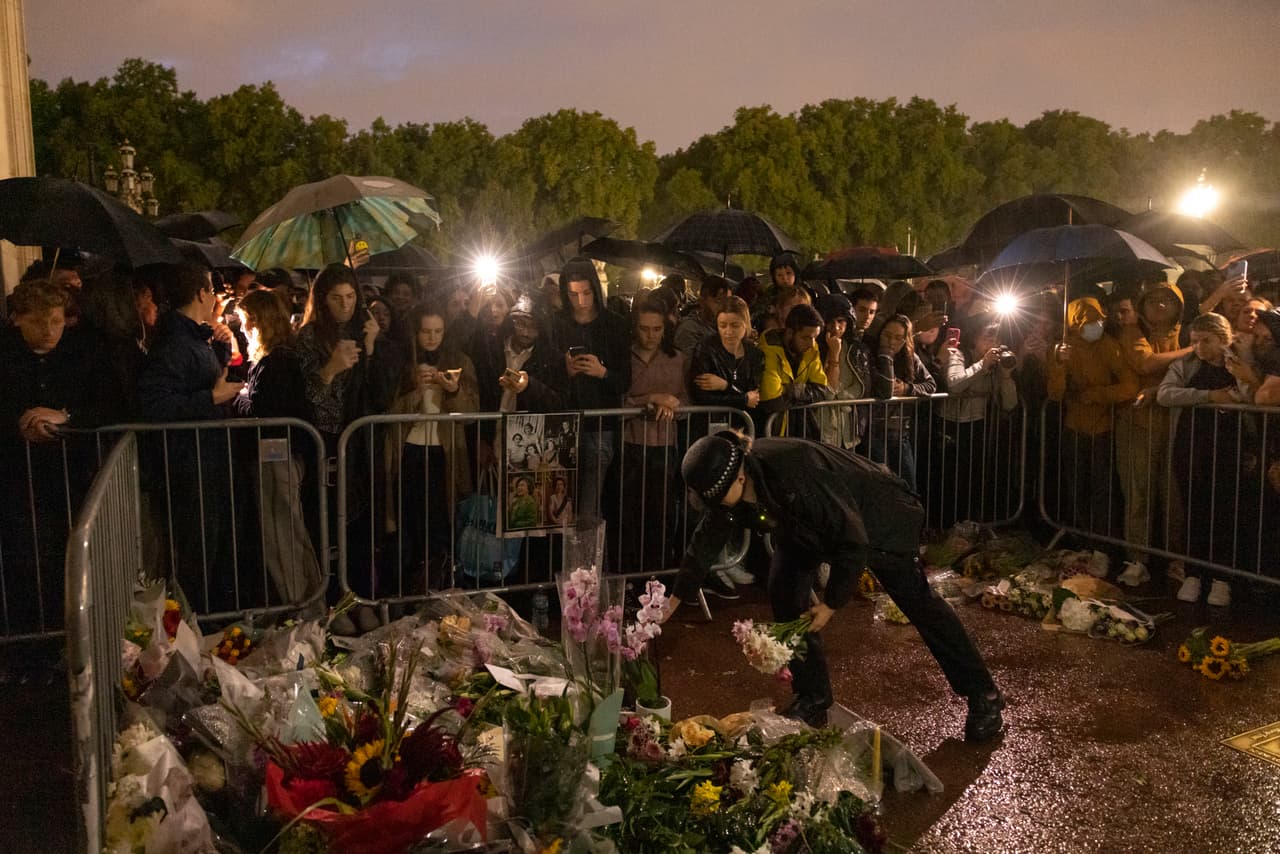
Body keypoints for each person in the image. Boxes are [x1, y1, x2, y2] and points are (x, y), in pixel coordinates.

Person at [668, 431, 1005, 740]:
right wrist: (675, 599)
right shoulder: (738, 483)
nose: (713, 507)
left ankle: (983, 694)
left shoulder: (794, 473)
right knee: (784, 588)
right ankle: (813, 697)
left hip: (880, 521)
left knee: (919, 603)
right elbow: (707, 537)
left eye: (715, 498)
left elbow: (852, 540)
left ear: (739, 477)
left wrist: (831, 604)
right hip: (808, 528)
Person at [0, 278, 108, 633]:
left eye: (56, 321)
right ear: (17, 319)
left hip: (71, 476)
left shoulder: (84, 352)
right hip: (18, 478)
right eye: (38, 321)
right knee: (23, 562)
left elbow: (110, 406)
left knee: (72, 560)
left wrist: (66, 416)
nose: (48, 331)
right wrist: (19, 424)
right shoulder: (6, 354)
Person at [138, 263, 245, 611]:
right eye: (211, 290)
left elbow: (199, 378)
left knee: (207, 546)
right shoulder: (174, 342)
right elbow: (156, 403)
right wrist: (212, 398)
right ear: (201, 293)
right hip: (189, 463)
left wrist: (220, 352)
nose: (214, 296)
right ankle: (191, 621)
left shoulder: (190, 336)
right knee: (195, 550)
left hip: (203, 458)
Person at [1157, 313, 1257, 607]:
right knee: (1193, 508)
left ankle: (1221, 578)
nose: (1199, 347)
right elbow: (1165, 394)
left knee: (1224, 511)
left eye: (1206, 341)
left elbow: (1250, 394)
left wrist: (1239, 383)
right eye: (1194, 341)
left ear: (1223, 339)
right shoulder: (1185, 366)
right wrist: (1207, 396)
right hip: (1191, 446)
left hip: (1228, 447)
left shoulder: (1238, 364)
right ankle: (1193, 573)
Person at [231, 289, 323, 606]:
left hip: (276, 456)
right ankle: (306, 603)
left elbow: (262, 412)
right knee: (287, 533)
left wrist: (236, 398)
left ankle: (301, 606)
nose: (241, 329)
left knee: (282, 536)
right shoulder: (278, 359)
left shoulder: (277, 362)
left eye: (244, 322)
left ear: (258, 322)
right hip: (280, 455)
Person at [384, 305, 478, 590]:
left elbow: (471, 412)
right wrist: (413, 390)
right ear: (415, 332)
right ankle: (409, 590)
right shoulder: (403, 362)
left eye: (438, 331)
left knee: (441, 524)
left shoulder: (460, 361)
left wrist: (453, 391)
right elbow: (387, 411)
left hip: (444, 453)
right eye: (426, 331)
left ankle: (438, 587)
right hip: (409, 451)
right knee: (409, 524)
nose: (432, 337)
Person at [1047, 297, 1138, 541]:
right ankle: (1082, 541)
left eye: (1098, 320)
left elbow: (1129, 385)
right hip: (1074, 428)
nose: (1095, 325)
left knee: (1103, 491)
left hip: (1103, 428)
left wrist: (1096, 395)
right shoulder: (1063, 349)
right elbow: (1055, 393)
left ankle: (1104, 544)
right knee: (1077, 488)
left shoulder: (1109, 346)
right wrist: (1058, 364)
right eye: (1088, 321)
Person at [552, 258, 631, 520]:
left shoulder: (615, 325)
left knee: (587, 510)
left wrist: (602, 372)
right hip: (562, 425)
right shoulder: (556, 323)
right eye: (574, 294)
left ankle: (587, 561)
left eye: (586, 293)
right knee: (556, 508)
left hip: (599, 427)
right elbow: (544, 375)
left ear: (595, 290)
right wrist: (564, 370)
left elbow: (625, 380)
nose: (581, 301)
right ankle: (567, 560)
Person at [621, 298, 689, 570]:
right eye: (644, 328)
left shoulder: (677, 359)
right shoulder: (625, 357)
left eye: (656, 329)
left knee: (661, 514)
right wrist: (650, 399)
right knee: (629, 514)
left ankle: (657, 574)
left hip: (664, 445)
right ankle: (628, 572)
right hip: (631, 444)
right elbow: (618, 400)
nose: (650, 335)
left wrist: (673, 405)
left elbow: (687, 402)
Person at [935, 317, 1019, 527]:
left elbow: (1009, 404)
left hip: (978, 427)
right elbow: (955, 384)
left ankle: (972, 526)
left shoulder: (995, 365)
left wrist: (1006, 376)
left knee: (975, 480)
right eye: (988, 336)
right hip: (952, 427)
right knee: (951, 481)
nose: (993, 342)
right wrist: (983, 364)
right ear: (975, 338)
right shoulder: (958, 355)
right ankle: (946, 526)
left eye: (997, 338)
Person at [869, 314, 937, 488]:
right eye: (888, 335)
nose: (891, 342)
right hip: (874, 432)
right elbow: (884, 390)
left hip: (900, 433)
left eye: (898, 338)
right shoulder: (870, 354)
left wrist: (908, 389)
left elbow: (931, 385)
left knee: (908, 486)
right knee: (881, 487)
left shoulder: (910, 358)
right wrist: (885, 357)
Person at [758, 303, 829, 438]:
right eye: (805, 337)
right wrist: (804, 393)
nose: (811, 344)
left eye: (815, 337)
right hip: (773, 432)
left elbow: (821, 390)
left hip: (801, 429)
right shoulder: (768, 350)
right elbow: (772, 401)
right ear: (790, 332)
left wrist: (789, 391)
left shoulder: (812, 349)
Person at [674, 276, 732, 353]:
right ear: (702, 300)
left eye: (727, 302)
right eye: (718, 300)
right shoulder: (690, 328)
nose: (723, 307)